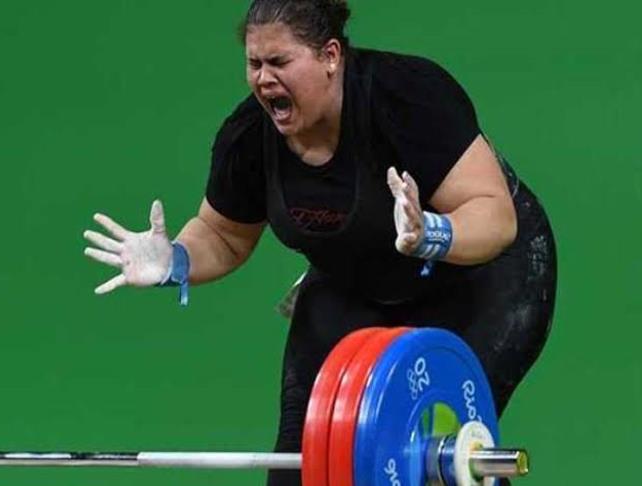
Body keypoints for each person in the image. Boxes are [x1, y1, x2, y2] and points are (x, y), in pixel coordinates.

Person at [83, 1, 557, 484]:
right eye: (254, 64)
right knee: (303, 458)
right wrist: (176, 260)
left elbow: (494, 216)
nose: (263, 79)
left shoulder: (407, 98)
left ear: (330, 56)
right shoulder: (249, 137)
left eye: (279, 62)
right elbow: (223, 234)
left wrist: (431, 233)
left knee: (435, 458)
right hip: (356, 279)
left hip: (481, 278)